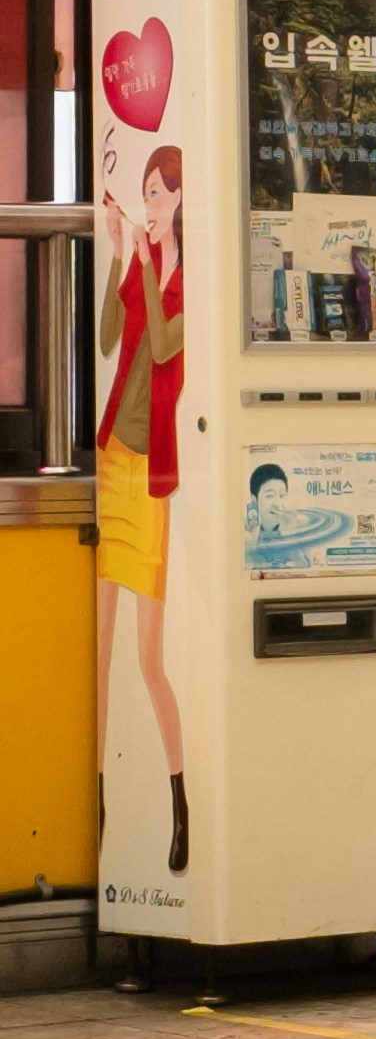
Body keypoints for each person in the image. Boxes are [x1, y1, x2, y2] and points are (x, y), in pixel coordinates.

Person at [94, 138, 188, 883]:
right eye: (147, 191)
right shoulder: (151, 270)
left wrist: (151, 263)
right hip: (110, 462)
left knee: (147, 658)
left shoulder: (191, 291)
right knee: (101, 649)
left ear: (183, 201)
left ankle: (179, 799)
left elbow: (160, 347)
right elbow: (107, 338)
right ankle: (98, 802)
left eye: (161, 193)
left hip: (151, 475)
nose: (151, 202)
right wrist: (121, 256)